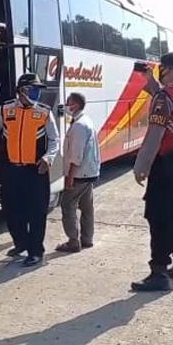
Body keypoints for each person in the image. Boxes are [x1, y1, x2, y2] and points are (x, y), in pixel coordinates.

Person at [131, 52, 173, 292]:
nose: (160, 71)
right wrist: (150, 81)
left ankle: (159, 271)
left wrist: (141, 167)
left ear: (169, 69)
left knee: (159, 217)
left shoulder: (164, 97)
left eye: (162, 68)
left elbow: (155, 135)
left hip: (165, 166)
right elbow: (168, 102)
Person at [0, 73, 60, 267]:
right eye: (33, 89)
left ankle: (35, 251)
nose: (36, 93)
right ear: (21, 90)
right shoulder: (6, 108)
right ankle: (21, 243)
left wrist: (48, 158)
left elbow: (54, 140)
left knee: (36, 212)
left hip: (36, 170)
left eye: (38, 90)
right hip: (11, 170)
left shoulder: (44, 112)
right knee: (11, 211)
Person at [55, 92, 101, 253]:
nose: (66, 106)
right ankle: (87, 239)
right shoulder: (85, 121)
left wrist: (70, 177)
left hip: (80, 174)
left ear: (75, 105)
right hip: (89, 172)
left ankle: (73, 241)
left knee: (67, 205)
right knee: (87, 206)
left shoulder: (79, 126)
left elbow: (76, 155)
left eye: (68, 103)